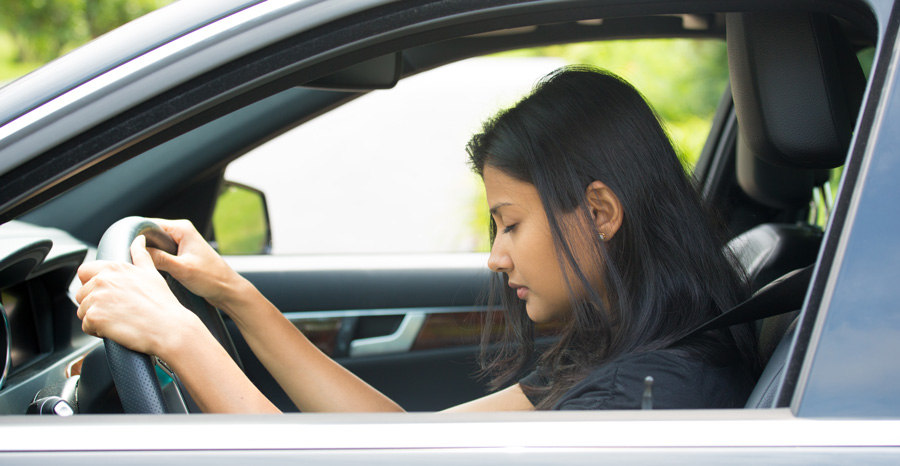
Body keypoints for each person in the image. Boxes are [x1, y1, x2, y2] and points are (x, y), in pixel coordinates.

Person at [75, 66, 758, 413]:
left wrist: (180, 339)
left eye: (511, 223)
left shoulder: (642, 400)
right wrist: (233, 294)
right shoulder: (629, 350)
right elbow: (403, 444)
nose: (496, 256)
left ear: (600, 212)